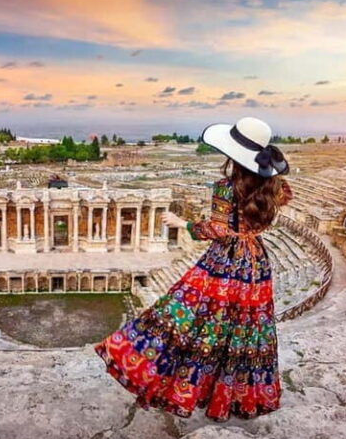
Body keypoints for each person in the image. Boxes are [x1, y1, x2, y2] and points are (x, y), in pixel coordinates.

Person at [95, 117, 293, 422]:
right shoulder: (276, 189)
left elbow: (216, 230)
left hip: (224, 263)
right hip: (255, 263)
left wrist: (182, 224)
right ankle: (235, 398)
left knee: (184, 317)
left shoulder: (226, 189)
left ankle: (160, 373)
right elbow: (269, 211)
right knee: (246, 329)